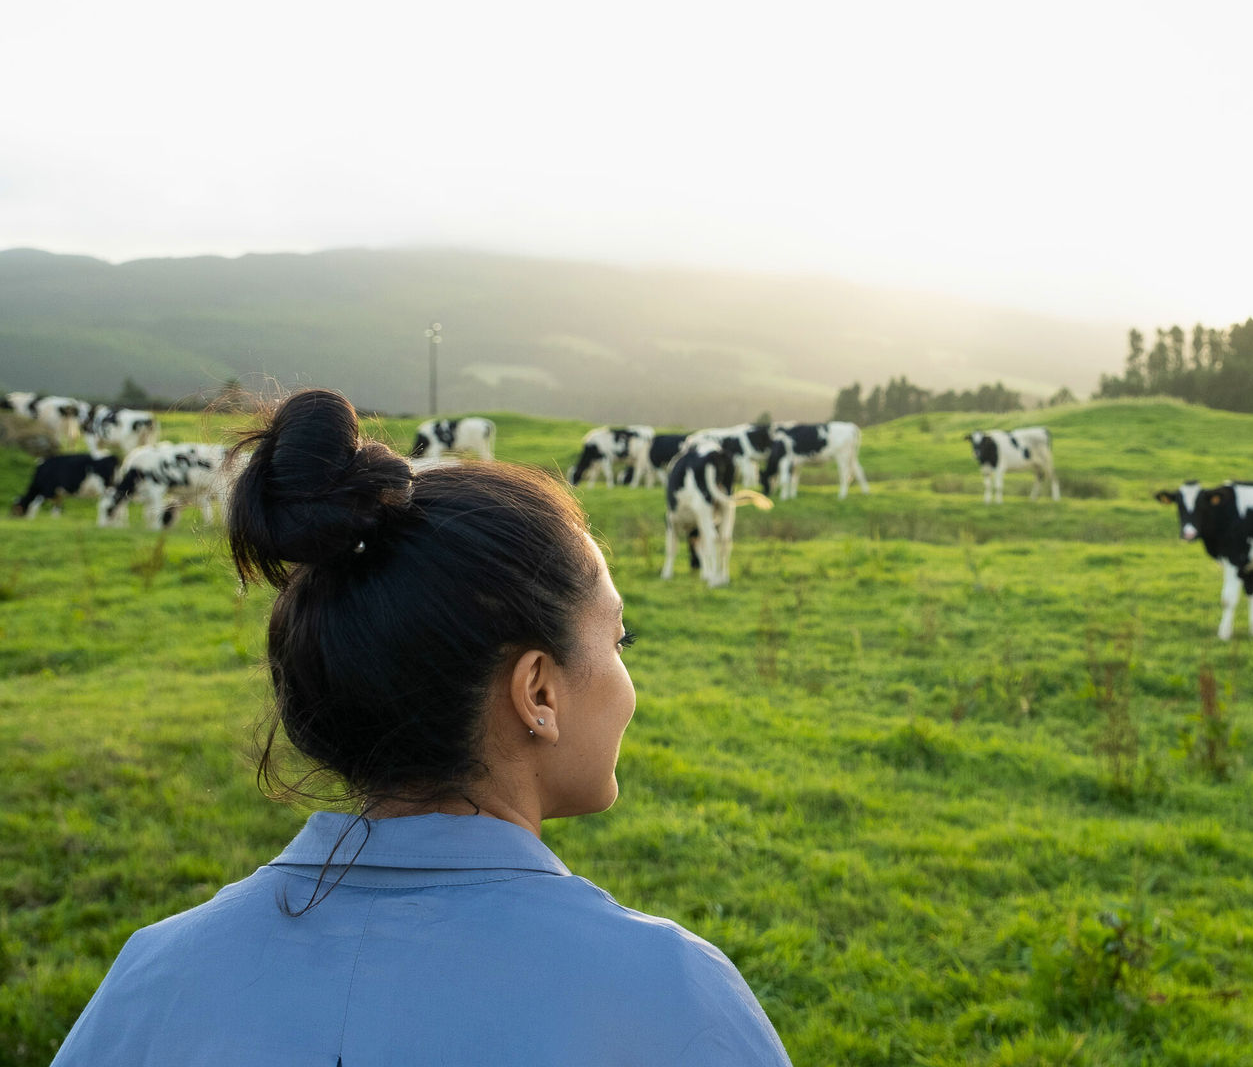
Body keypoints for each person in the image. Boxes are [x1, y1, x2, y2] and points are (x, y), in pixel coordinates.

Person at [53, 389, 790, 1066]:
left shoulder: (151, 982)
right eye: (620, 641)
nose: (629, 678)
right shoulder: (673, 999)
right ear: (538, 691)